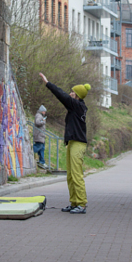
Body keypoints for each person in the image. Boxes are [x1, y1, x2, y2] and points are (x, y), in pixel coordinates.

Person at [39, 73, 91, 214]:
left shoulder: (77, 106)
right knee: (70, 175)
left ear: (78, 95)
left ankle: (81, 203)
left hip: (78, 144)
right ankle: (74, 202)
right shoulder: (75, 107)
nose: (70, 93)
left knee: (76, 174)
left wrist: (48, 83)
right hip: (73, 142)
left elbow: (61, 95)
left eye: (73, 92)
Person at [33, 105, 48, 169]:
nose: (45, 112)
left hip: (41, 136)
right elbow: (37, 122)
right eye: (44, 111)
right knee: (39, 146)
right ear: (42, 111)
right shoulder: (39, 115)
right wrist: (43, 121)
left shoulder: (40, 115)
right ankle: (31, 151)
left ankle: (42, 161)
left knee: (42, 149)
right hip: (39, 135)